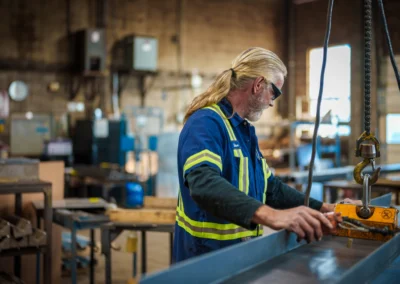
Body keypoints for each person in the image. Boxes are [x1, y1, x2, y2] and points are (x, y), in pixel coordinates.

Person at [173, 47, 338, 263]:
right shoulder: (207, 122)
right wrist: (272, 216)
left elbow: (270, 188)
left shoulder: (244, 130)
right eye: (275, 92)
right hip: (205, 260)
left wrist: (324, 209)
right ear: (258, 84)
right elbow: (203, 183)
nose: (272, 102)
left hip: (238, 257)